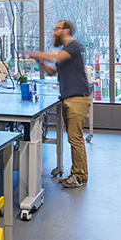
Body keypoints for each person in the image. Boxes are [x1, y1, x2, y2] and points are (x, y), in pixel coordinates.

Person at [28, 20, 91, 188]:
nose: (54, 32)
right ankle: (76, 173)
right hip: (69, 98)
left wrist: (37, 53)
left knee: (75, 138)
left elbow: (56, 57)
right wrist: (41, 64)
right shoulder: (65, 52)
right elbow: (52, 71)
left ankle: (80, 176)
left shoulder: (73, 46)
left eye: (57, 29)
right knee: (73, 138)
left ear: (66, 30)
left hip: (77, 98)